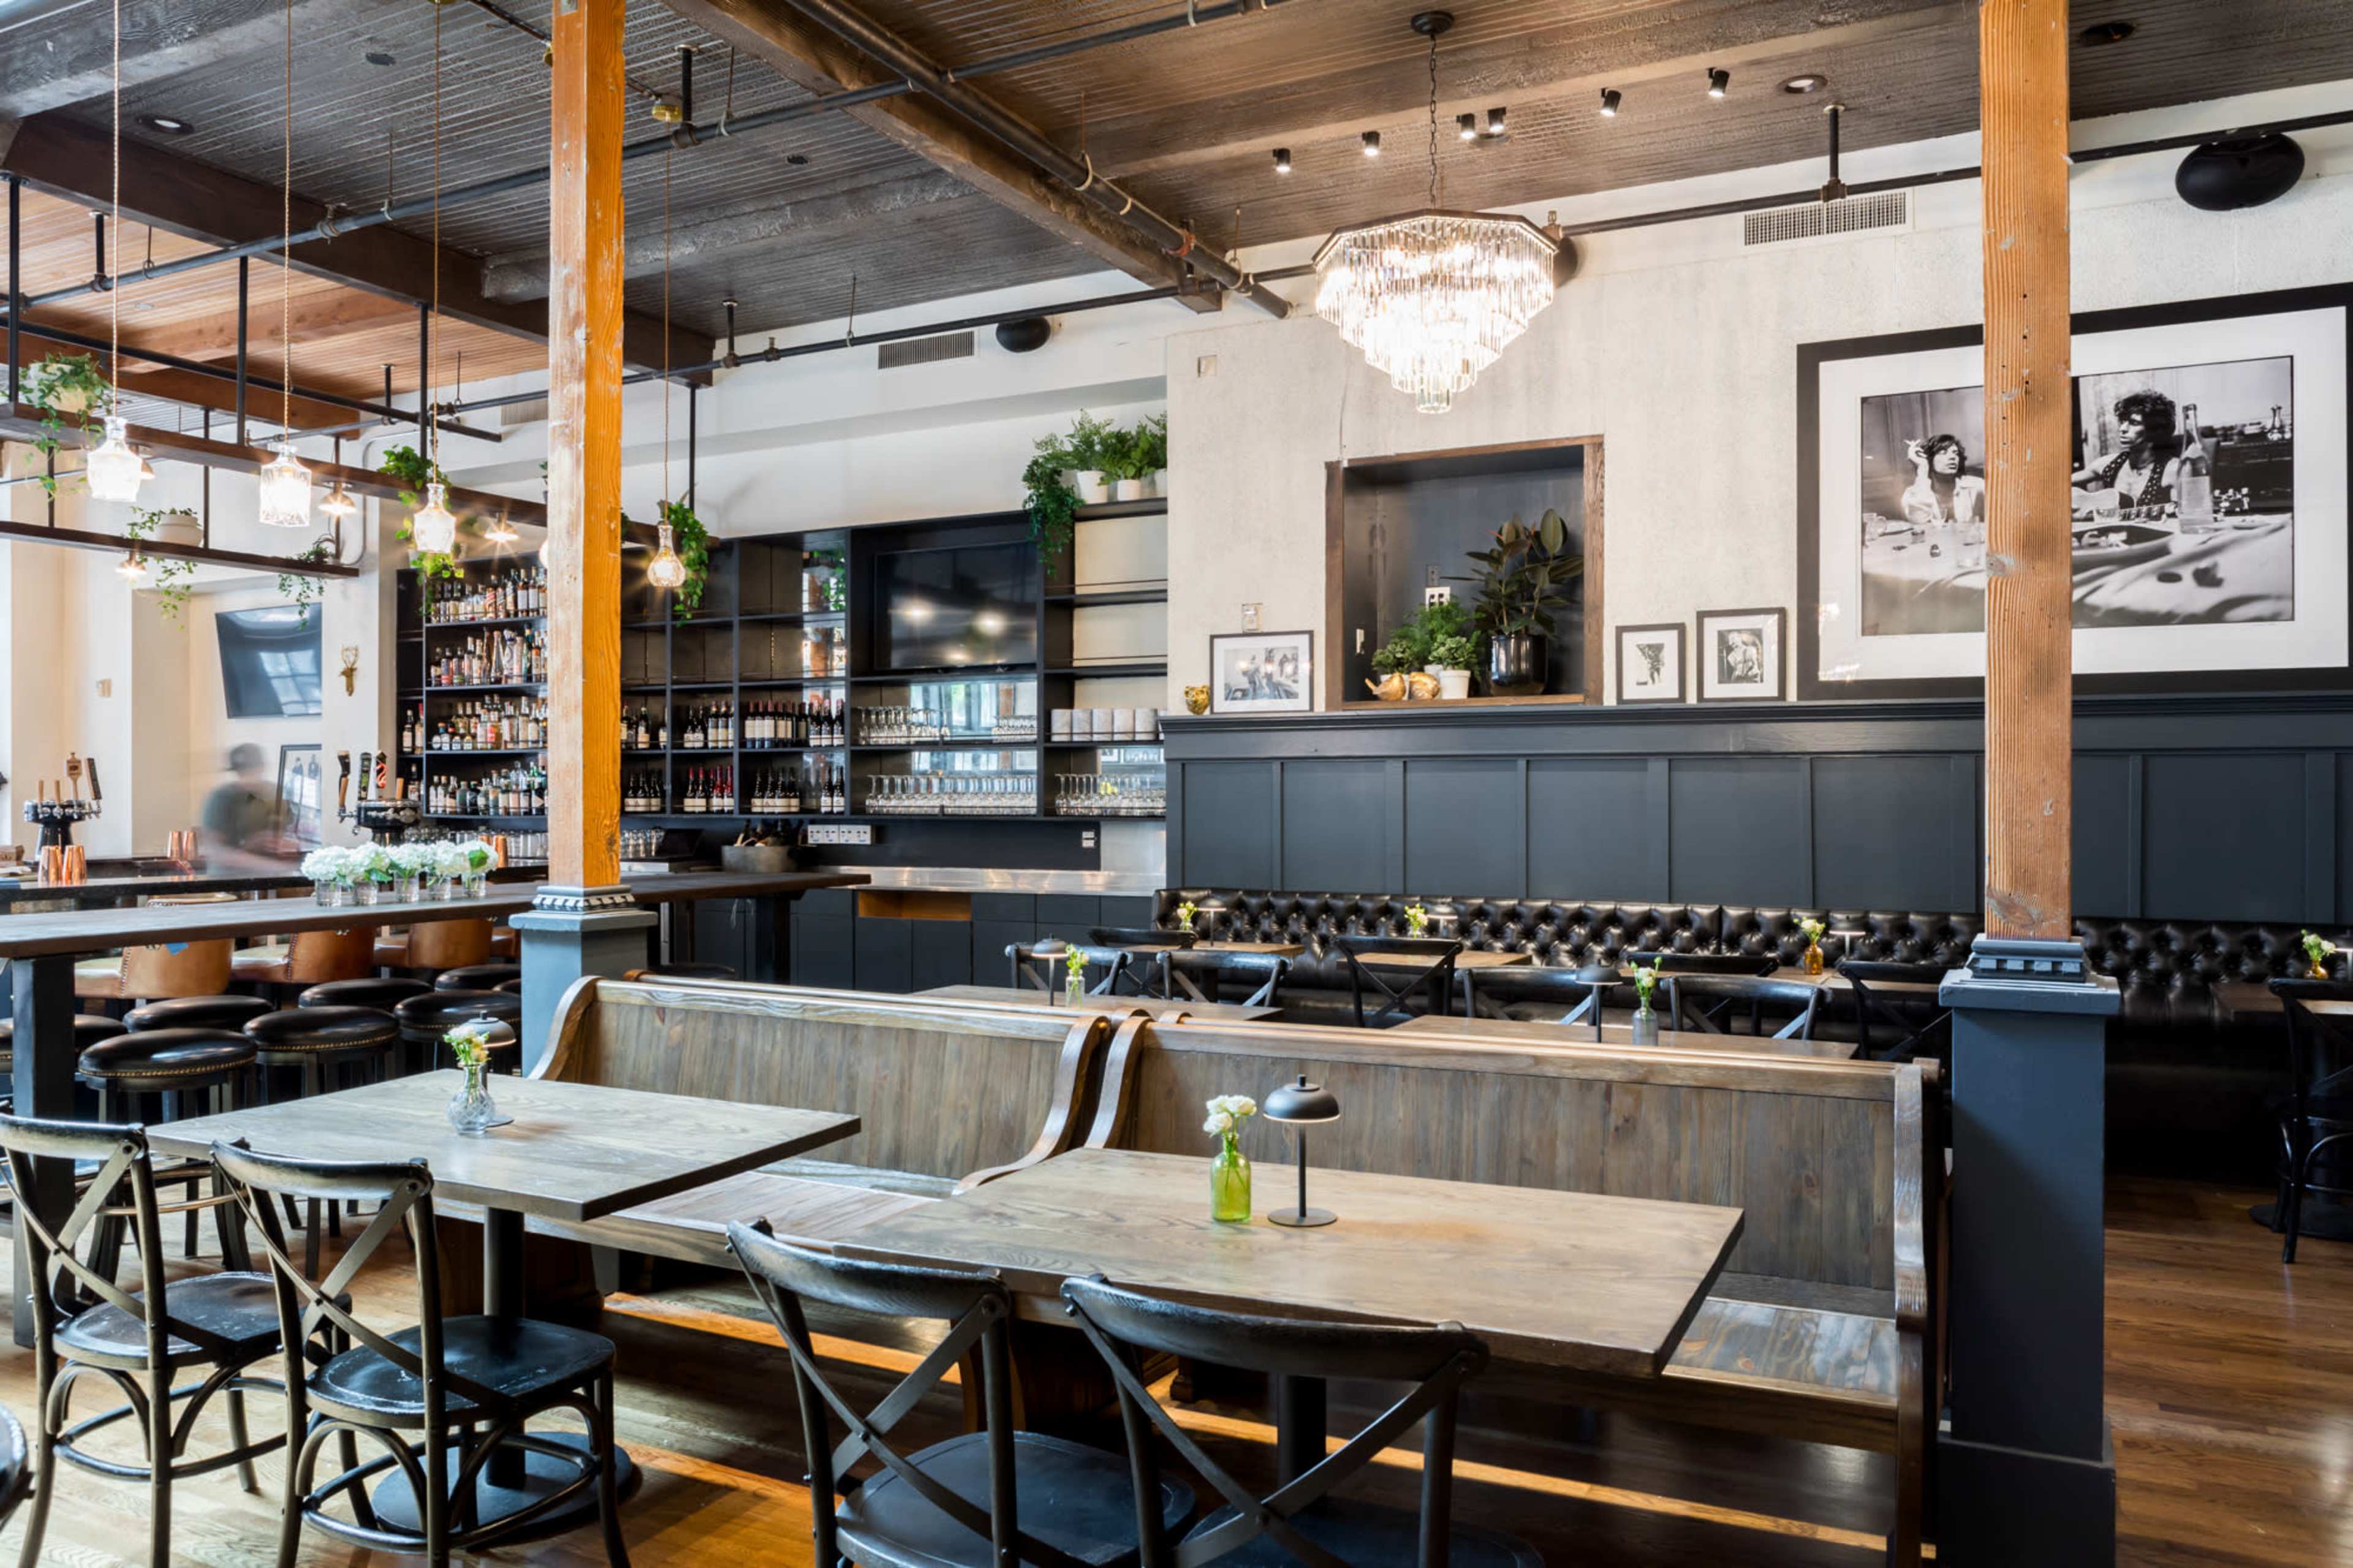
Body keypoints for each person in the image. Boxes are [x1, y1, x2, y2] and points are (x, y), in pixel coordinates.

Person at [2072, 390, 2180, 515]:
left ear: (2155, 429)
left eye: (2134, 423)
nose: (2123, 429)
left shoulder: (2173, 470)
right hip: (2111, 534)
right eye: (2123, 422)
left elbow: (2182, 519)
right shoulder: (2108, 463)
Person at [199, 743, 291, 867]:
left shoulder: (275, 793)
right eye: (242, 772)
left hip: (270, 876)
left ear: (262, 768)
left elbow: (292, 834)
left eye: (251, 770)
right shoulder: (221, 797)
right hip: (230, 879)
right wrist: (267, 864)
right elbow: (216, 851)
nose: (247, 776)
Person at [1900, 433, 1985, 528]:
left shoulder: (1977, 486)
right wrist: (1923, 467)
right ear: (1929, 459)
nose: (1953, 457)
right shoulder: (1915, 493)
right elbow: (1918, 519)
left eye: (1956, 453)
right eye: (1943, 453)